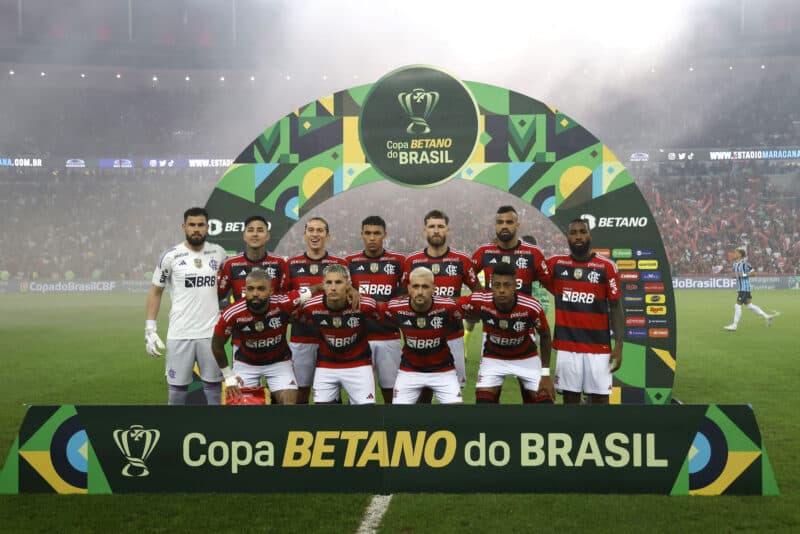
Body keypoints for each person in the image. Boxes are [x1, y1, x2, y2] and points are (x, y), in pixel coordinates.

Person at [145, 207, 228, 405]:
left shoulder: (219, 253)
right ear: (184, 226)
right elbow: (156, 291)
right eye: (192, 225)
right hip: (180, 332)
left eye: (201, 225)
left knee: (214, 390)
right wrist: (150, 328)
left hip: (211, 334)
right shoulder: (171, 256)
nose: (196, 229)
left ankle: (214, 432)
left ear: (208, 227)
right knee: (176, 392)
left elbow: (228, 286)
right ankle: (176, 432)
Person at [471, 206, 551, 402]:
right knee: (486, 398)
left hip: (524, 332)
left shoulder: (533, 253)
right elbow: (467, 275)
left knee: (534, 396)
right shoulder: (484, 252)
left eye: (509, 222)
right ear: (495, 226)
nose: (504, 226)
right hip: (492, 333)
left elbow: (551, 284)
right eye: (500, 222)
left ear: (518, 225)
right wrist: (481, 296)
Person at [541, 218, 623, 405]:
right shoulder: (556, 264)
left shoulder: (607, 267)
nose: (578, 236)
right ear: (568, 237)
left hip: (599, 348)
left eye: (582, 232)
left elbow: (616, 307)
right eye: (573, 232)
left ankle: (601, 434)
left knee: (601, 400)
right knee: (570, 399)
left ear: (589, 235)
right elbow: (533, 266)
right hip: (567, 347)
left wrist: (619, 344)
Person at [402, 210, 480, 393]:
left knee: (452, 394)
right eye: (431, 227)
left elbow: (479, 296)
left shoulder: (461, 261)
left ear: (448, 230)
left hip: (452, 337)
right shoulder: (412, 261)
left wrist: (456, 303)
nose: (436, 230)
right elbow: (401, 298)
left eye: (440, 226)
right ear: (424, 231)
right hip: (420, 338)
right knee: (422, 395)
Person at [458, 262, 554, 404]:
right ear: (491, 285)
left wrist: (545, 374)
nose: (502, 290)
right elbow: (450, 305)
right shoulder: (480, 300)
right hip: (494, 357)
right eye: (497, 285)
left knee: (545, 401)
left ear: (515, 285)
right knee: (483, 403)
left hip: (526, 357)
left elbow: (545, 335)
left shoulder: (530, 306)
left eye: (507, 285)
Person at [212, 268, 307, 404]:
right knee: (238, 406)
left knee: (290, 403)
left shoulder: (284, 302)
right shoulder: (232, 312)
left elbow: (311, 291)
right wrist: (228, 377)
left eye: (261, 289)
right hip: (246, 364)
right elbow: (216, 344)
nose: (255, 293)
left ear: (271, 291)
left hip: (279, 362)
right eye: (250, 289)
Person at [285, 216, 349, 404]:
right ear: (305, 235)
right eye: (311, 230)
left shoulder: (339, 264)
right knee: (301, 392)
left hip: (332, 338)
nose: (315, 234)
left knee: (332, 394)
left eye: (320, 230)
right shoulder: (292, 264)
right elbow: (286, 301)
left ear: (328, 236)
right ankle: (300, 429)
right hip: (302, 338)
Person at [299, 264, 378, 404]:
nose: (333, 287)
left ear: (348, 285)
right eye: (329, 283)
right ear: (323, 285)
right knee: (323, 413)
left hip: (358, 364)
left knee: (367, 414)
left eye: (338, 282)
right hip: (326, 364)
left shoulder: (365, 304)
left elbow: (385, 313)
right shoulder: (310, 306)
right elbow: (290, 313)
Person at [346, 215, 405, 403]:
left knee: (392, 394)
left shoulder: (398, 262)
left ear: (384, 235)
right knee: (358, 396)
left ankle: (393, 430)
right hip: (358, 338)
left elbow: (404, 298)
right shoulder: (350, 262)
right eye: (368, 233)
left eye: (377, 233)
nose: (372, 238)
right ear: (361, 234)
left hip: (389, 338)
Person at [383, 267, 463, 404]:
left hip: (443, 370)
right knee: (398, 418)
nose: (420, 292)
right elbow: (370, 308)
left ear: (433, 288)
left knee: (456, 413)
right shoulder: (395, 307)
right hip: (409, 370)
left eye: (425, 287)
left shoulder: (448, 306)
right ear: (409, 288)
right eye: (415, 286)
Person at [217, 215, 287, 302]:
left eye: (260, 230)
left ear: (268, 236)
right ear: (244, 236)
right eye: (250, 230)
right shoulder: (230, 264)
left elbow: (286, 296)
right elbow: (218, 295)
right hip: (241, 315)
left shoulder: (279, 263)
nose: (255, 234)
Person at [724, 247, 779, 331]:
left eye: (736, 252)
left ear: (740, 254)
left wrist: (743, 275)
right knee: (749, 306)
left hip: (745, 288)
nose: (734, 254)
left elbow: (754, 273)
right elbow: (739, 275)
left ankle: (734, 325)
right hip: (741, 288)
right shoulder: (735, 264)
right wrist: (735, 277)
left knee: (737, 305)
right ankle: (767, 316)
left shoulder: (744, 264)